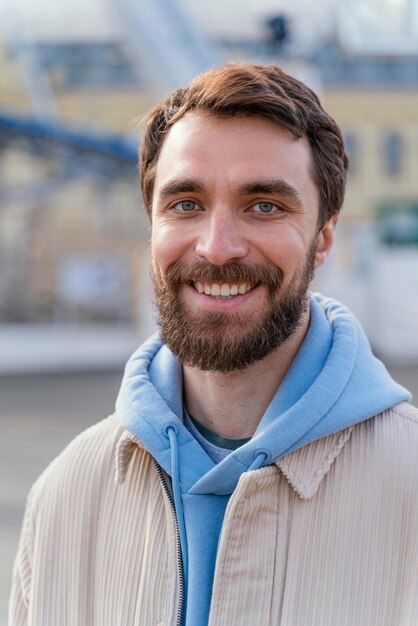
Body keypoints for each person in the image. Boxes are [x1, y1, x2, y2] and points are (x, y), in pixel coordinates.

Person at [9, 64, 418, 626]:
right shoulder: (67, 494)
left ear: (323, 240)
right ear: (152, 228)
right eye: (186, 204)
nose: (217, 247)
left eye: (264, 206)